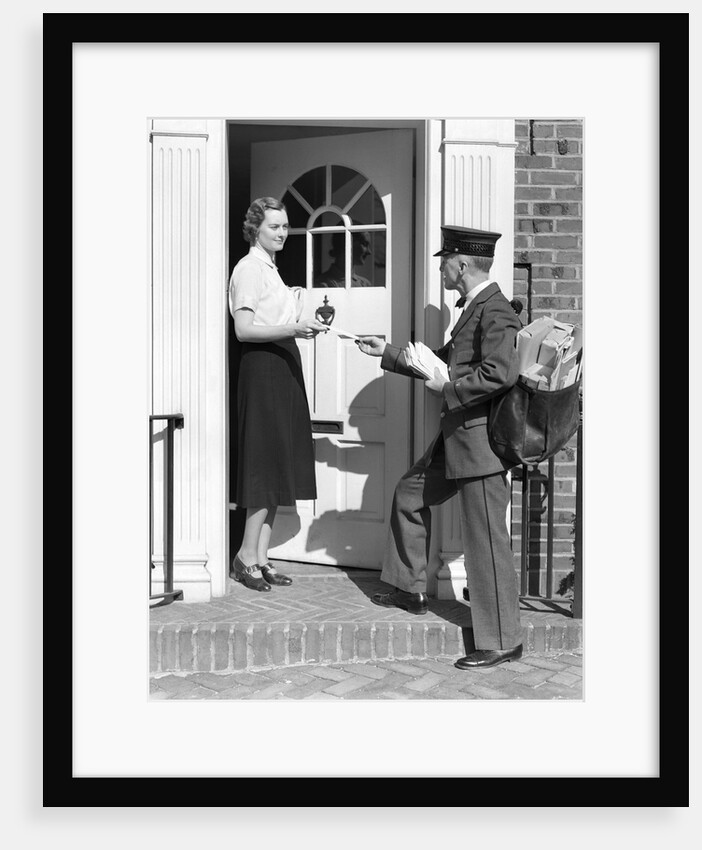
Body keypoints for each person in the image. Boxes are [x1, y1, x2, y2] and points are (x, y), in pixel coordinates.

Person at [356, 225, 523, 669]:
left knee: (486, 541)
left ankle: (503, 639)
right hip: (458, 439)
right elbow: (441, 361)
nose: (441, 267)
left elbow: (501, 373)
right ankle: (408, 587)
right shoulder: (473, 309)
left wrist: (449, 389)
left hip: (482, 445)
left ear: (462, 264)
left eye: (444, 259)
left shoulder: (497, 310)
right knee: (409, 496)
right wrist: (389, 353)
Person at [229, 197, 328, 592]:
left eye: (286, 226)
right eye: (274, 227)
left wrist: (297, 306)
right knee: (263, 465)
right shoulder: (248, 269)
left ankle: (260, 557)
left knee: (278, 461)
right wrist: (292, 329)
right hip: (263, 367)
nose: (282, 233)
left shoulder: (269, 270)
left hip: (282, 365)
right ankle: (244, 556)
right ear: (255, 230)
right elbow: (243, 330)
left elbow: (275, 315)